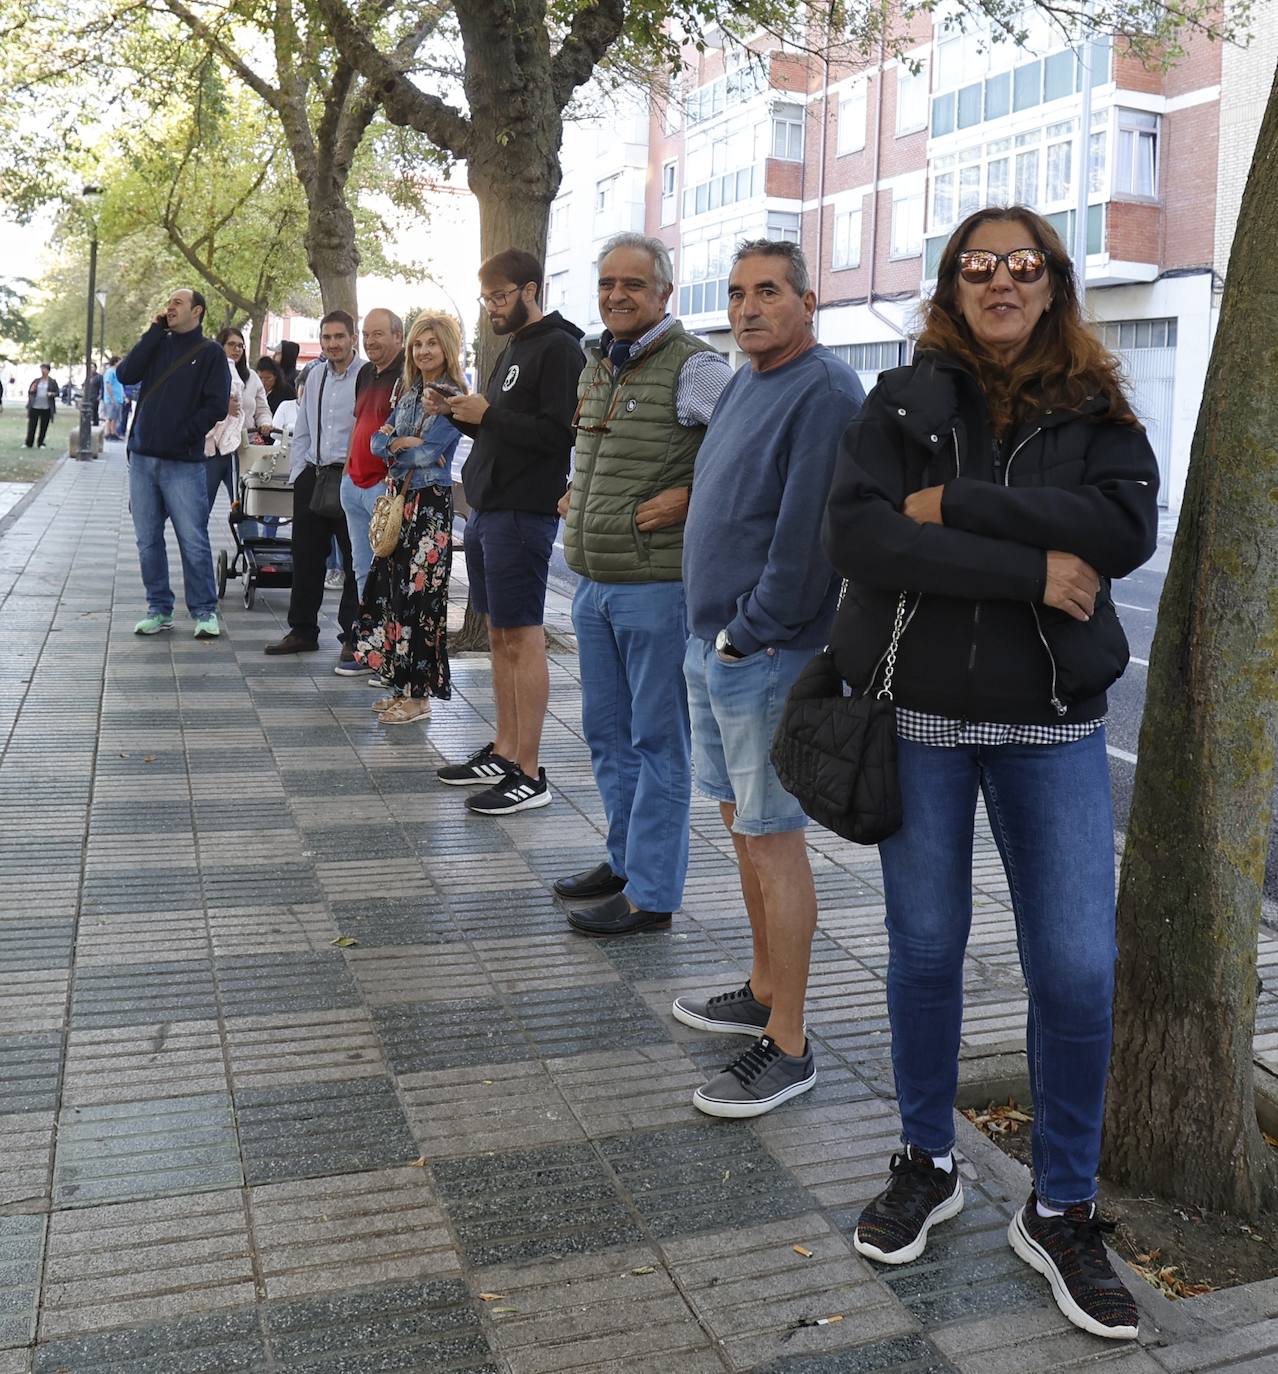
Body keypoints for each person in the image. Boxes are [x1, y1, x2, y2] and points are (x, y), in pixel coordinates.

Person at [823, 206, 1159, 1340]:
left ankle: (1061, 1206)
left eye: (1024, 266)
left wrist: (960, 504)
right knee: (923, 951)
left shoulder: (1097, 407)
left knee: (1074, 965)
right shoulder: (902, 403)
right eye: (980, 266)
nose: (1002, 282)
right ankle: (927, 1158)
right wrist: (1026, 569)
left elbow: (1118, 533)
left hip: (1055, 726)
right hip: (919, 717)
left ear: (1054, 285)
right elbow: (861, 539)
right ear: (953, 288)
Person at [675, 240, 864, 1118]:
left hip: (766, 653)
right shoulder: (748, 378)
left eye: (770, 292)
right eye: (738, 292)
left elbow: (806, 547)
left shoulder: (823, 392)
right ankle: (760, 987)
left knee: (774, 838)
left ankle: (788, 1043)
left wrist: (747, 635)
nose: (749, 308)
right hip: (716, 642)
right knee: (743, 830)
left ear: (808, 300)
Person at [555, 233, 732, 936]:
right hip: (595, 581)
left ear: (664, 291)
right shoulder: (598, 361)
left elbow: (750, 450)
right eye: (607, 284)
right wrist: (576, 492)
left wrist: (690, 497)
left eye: (633, 284)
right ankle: (624, 860)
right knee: (607, 735)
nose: (617, 295)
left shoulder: (695, 367)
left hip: (656, 587)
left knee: (658, 743)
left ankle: (652, 894)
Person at [430, 249, 584, 815]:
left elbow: (557, 434)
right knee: (497, 635)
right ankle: (504, 748)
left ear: (530, 289)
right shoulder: (513, 349)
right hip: (491, 509)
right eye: (486, 297)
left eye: (500, 296)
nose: (492, 307)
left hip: (524, 511)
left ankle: (529, 771)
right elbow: (497, 422)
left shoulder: (561, 348)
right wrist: (456, 412)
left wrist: (486, 415)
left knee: (523, 637)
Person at [355, 313, 465, 724]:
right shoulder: (407, 391)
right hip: (402, 504)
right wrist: (402, 444)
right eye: (418, 344)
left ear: (447, 348)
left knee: (422, 601)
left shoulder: (453, 396)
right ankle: (400, 687)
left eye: (432, 343)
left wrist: (399, 446)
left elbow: (428, 453)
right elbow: (376, 441)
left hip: (430, 507)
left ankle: (419, 698)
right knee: (394, 595)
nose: (423, 351)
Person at [117, 288, 231, 640]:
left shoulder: (211, 353)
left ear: (196, 311)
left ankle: (204, 611)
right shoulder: (158, 344)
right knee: (147, 540)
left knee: (192, 539)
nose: (170, 306)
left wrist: (185, 434)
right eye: (168, 302)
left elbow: (216, 405)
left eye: (178, 303)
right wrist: (152, 332)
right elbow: (126, 374)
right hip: (143, 460)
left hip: (183, 462)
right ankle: (159, 609)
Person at [263, 311, 361, 670]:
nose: (333, 343)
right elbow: (303, 427)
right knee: (305, 559)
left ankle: (352, 636)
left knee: (354, 562)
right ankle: (302, 630)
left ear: (353, 338)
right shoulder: (315, 375)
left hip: (351, 480)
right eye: (327, 337)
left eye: (339, 336)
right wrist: (299, 472)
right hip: (313, 477)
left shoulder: (365, 375)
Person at [341, 309, 406, 598]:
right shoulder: (365, 372)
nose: (369, 341)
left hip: (383, 487)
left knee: (387, 571)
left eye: (377, 334)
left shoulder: (408, 375)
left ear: (398, 336)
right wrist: (346, 470)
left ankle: (385, 640)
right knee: (361, 569)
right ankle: (367, 640)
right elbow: (358, 422)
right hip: (353, 484)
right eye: (366, 334)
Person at [205, 326, 272, 514]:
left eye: (241, 346)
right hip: (214, 451)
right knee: (202, 506)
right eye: (231, 345)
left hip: (244, 449)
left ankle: (248, 544)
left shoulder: (252, 378)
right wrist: (221, 406)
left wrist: (265, 423)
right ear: (220, 346)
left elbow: (262, 409)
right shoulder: (209, 374)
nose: (237, 350)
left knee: (245, 507)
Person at [25, 364, 58, 448]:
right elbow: (30, 391)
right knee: (32, 426)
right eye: (41, 369)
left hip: (46, 407)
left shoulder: (52, 382)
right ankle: (29, 443)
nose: (42, 371)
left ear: (48, 370)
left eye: (44, 369)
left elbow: (57, 393)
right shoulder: (36, 381)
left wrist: (51, 394)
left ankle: (41, 443)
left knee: (43, 427)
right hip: (35, 406)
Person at [101, 357, 125, 440]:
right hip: (111, 399)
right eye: (120, 362)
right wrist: (112, 398)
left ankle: (113, 432)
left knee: (115, 417)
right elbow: (108, 385)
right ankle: (108, 433)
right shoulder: (110, 372)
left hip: (118, 398)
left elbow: (120, 385)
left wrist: (123, 396)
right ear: (115, 362)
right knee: (110, 417)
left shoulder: (117, 372)